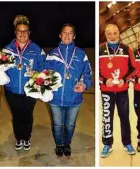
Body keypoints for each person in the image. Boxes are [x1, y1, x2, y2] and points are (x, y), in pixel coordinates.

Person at [43, 24, 92, 157]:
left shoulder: (81, 54)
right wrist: (45, 87)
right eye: (64, 33)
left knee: (70, 125)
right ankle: (59, 145)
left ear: (74, 36)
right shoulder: (52, 54)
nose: (67, 36)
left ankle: (67, 144)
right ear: (60, 35)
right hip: (55, 99)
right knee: (58, 124)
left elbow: (87, 73)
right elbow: (44, 74)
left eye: (70, 33)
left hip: (74, 98)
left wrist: (84, 85)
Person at [1, 15, 46, 151]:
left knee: (27, 115)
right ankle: (18, 137)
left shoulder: (36, 49)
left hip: (30, 90)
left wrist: (38, 74)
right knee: (16, 115)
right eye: (19, 31)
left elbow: (43, 67)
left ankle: (26, 138)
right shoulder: (7, 49)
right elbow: (0, 67)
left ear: (29, 33)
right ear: (15, 32)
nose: (22, 34)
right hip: (12, 90)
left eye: (25, 31)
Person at [99, 24, 137, 158]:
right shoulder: (100, 49)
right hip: (106, 90)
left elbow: (134, 68)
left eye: (115, 33)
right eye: (109, 33)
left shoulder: (126, 49)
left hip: (122, 90)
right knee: (107, 119)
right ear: (105, 34)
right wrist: (104, 81)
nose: (112, 36)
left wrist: (124, 79)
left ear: (119, 33)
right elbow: (96, 70)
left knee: (124, 117)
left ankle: (127, 143)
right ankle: (107, 144)